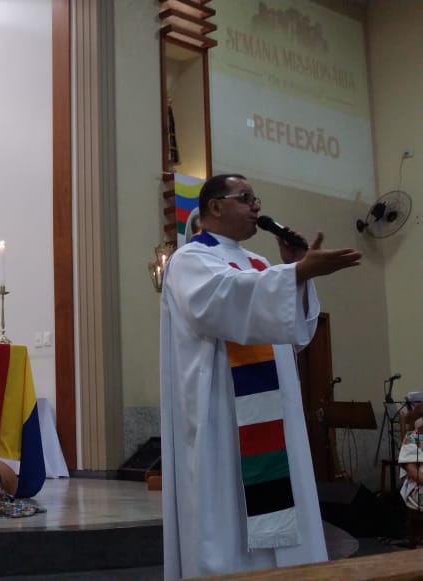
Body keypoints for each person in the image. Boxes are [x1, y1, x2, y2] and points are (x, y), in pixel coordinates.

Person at [159, 174, 362, 579]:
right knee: (228, 512)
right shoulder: (190, 259)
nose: (256, 207)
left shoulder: (260, 263)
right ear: (215, 206)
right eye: (246, 198)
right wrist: (295, 273)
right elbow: (219, 302)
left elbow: (295, 335)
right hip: (223, 415)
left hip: (273, 416)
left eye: (256, 199)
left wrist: (295, 272)